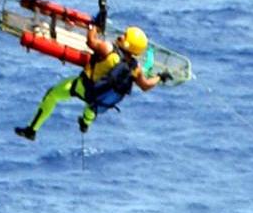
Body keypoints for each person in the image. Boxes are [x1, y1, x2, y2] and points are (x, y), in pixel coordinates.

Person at [14, 23, 159, 140]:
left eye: (124, 36)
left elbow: (90, 41)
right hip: (98, 98)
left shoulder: (108, 49)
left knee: (52, 95)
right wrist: (160, 77)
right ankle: (85, 123)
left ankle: (31, 130)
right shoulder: (135, 68)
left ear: (127, 44)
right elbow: (145, 85)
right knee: (91, 108)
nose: (120, 36)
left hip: (83, 86)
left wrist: (93, 26)